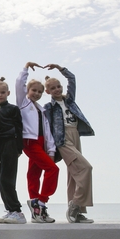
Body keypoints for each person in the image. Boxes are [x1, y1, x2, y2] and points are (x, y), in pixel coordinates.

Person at [43, 64, 94, 223]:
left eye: (58, 86)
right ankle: (75, 204)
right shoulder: (49, 107)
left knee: (74, 174)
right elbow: (46, 129)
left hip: (75, 134)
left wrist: (59, 68)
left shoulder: (69, 100)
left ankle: (77, 213)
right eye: (53, 88)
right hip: (62, 139)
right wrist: (49, 149)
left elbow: (72, 78)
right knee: (86, 168)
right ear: (48, 92)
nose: (57, 90)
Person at [17, 62, 58, 223]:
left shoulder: (41, 109)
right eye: (34, 90)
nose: (37, 93)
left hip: (41, 143)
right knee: (53, 170)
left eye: (40, 92)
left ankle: (36, 211)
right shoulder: (24, 103)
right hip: (30, 141)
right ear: (28, 90)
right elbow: (19, 84)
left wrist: (51, 150)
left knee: (34, 174)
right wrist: (25, 68)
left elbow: (47, 132)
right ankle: (41, 201)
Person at [0, 77, 26, 224]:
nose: (0, 94)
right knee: (0, 179)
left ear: (8, 92)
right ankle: (10, 210)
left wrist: (18, 148)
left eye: (3, 92)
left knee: (7, 178)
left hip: (9, 144)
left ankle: (17, 211)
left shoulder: (13, 109)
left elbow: (19, 128)